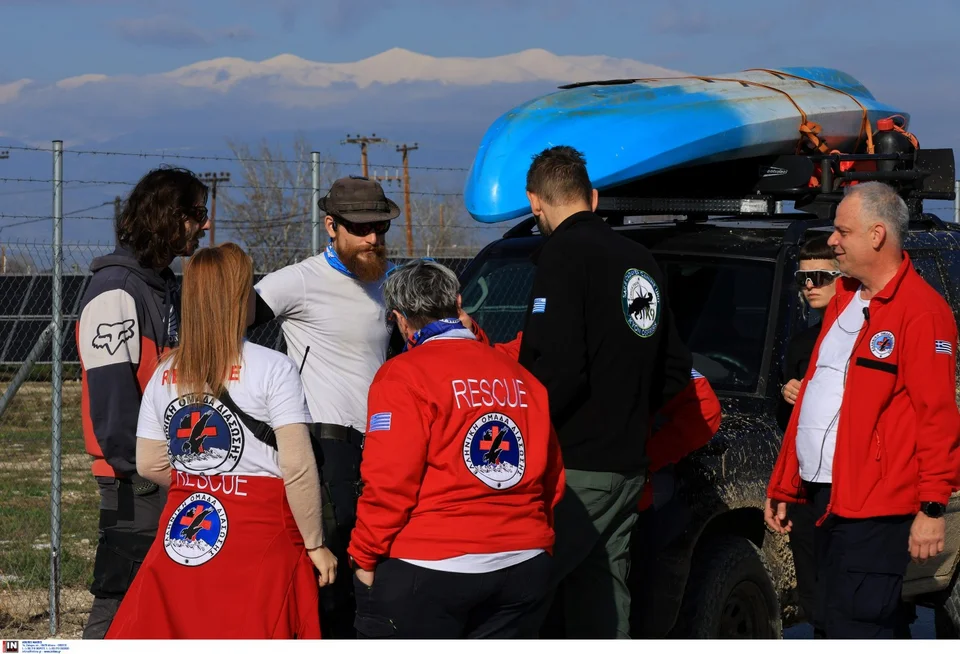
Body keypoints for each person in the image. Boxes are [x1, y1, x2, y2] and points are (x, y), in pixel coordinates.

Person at [105, 243, 337, 639]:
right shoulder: (273, 367)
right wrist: (315, 543)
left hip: (186, 527)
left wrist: (204, 477)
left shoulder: (166, 371)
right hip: (262, 535)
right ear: (237, 298)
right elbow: (297, 468)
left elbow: (149, 463)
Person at [765, 182, 960, 639]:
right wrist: (787, 482)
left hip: (874, 508)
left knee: (860, 628)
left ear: (876, 235)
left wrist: (933, 507)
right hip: (823, 499)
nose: (832, 241)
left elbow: (938, 416)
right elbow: (818, 398)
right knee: (831, 623)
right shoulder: (842, 303)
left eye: (841, 231)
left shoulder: (922, 312)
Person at [516, 146, 693, 638]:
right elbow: (677, 368)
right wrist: (631, 409)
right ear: (592, 198)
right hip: (630, 467)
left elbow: (557, 370)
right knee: (604, 601)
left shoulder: (563, 256)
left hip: (575, 466)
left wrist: (529, 434)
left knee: (517, 594)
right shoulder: (640, 260)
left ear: (535, 201)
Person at [346, 260, 565, 638]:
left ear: (400, 319)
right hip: (524, 563)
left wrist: (363, 553)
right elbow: (552, 477)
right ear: (459, 302)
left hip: (431, 563)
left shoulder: (403, 375)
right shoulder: (521, 376)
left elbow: (389, 481)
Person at [249, 175, 401, 637]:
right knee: (330, 580)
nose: (373, 238)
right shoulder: (298, 281)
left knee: (376, 573)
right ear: (330, 226)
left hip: (383, 450)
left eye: (381, 226)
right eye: (361, 228)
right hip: (327, 451)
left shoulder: (388, 281)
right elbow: (226, 332)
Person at [76, 167, 210, 639]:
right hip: (132, 479)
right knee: (119, 597)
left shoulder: (159, 282)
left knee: (161, 599)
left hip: (162, 469)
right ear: (168, 218)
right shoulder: (117, 289)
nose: (205, 224)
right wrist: (139, 471)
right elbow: (112, 398)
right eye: (198, 213)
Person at [775, 234, 841, 638]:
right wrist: (788, 392)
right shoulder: (801, 341)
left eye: (819, 276)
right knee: (814, 593)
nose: (809, 285)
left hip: (850, 481)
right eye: (803, 279)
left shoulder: (863, 332)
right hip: (805, 479)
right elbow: (790, 421)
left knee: (854, 599)